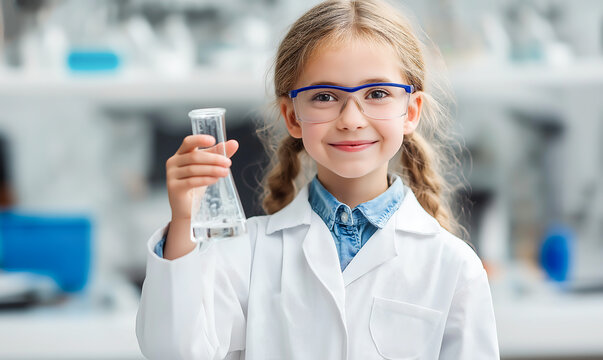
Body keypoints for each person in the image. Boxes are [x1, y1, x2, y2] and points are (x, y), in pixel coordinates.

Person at [136, 0, 499, 358]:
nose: (351, 119)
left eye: (377, 94)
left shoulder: (453, 266)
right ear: (292, 116)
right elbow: (174, 351)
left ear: (411, 111)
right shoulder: (248, 253)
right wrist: (185, 220)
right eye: (325, 96)